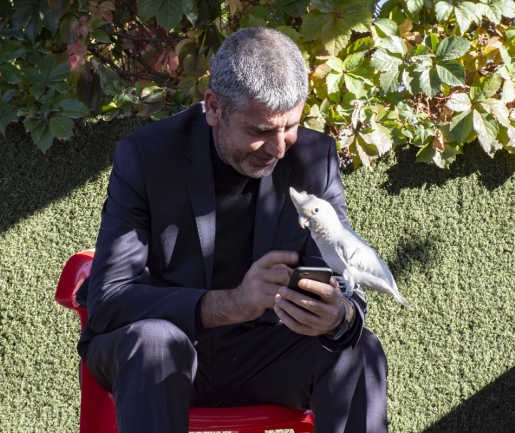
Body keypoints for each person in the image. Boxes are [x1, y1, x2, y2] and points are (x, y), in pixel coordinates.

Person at [76, 27, 388, 433]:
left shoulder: (314, 157)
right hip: (164, 352)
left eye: (289, 126)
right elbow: (109, 301)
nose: (279, 148)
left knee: (358, 348)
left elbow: (342, 278)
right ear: (213, 108)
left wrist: (337, 315)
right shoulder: (146, 155)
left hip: (264, 357)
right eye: (259, 131)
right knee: (154, 343)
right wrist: (232, 303)